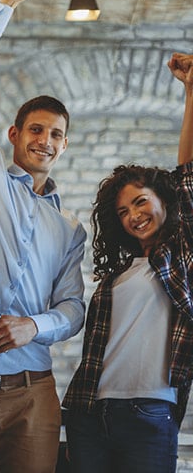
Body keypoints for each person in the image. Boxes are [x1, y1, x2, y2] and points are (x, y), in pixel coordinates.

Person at [0, 0, 87, 473]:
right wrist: (6, 4)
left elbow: (73, 308)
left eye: (56, 135)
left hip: (34, 394)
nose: (45, 141)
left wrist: (36, 325)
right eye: (36, 129)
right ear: (13, 133)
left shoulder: (71, 228)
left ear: (64, 145)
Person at [62, 52, 193, 473]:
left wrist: (191, 90)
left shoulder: (181, 254)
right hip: (89, 410)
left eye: (140, 202)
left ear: (164, 202)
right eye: (123, 212)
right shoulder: (118, 274)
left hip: (150, 413)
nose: (134, 215)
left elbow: (189, 173)